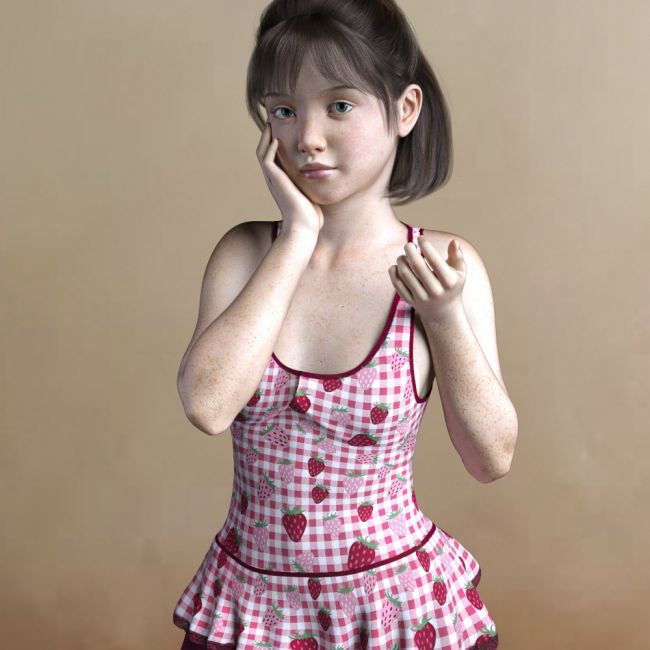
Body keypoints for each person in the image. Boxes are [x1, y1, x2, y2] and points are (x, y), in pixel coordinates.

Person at [172, 1, 518, 648]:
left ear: (405, 110)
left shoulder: (444, 265)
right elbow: (207, 406)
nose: (306, 137)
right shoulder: (245, 254)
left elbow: (491, 459)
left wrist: (444, 318)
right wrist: (297, 237)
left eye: (339, 106)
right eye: (282, 110)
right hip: (255, 609)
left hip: (394, 610)